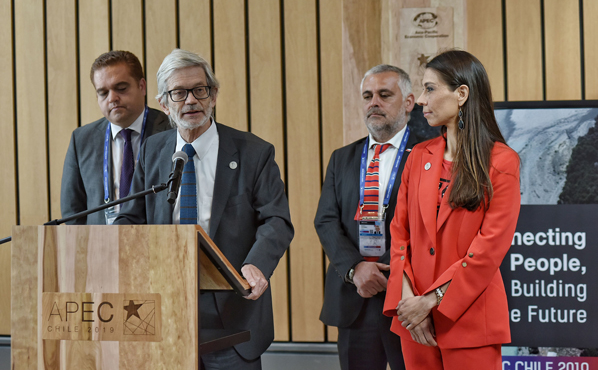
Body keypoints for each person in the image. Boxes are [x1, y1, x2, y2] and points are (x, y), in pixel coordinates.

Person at [113, 48, 294, 369]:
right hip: (164, 307)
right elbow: (132, 215)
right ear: (163, 102)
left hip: (232, 309)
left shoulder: (254, 152)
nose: (191, 100)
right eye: (179, 93)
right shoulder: (153, 150)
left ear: (214, 95)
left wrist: (257, 265)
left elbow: (276, 219)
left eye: (200, 90)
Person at [383, 50, 521, 369]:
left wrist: (428, 302)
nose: (421, 99)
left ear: (461, 94)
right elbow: (399, 236)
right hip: (414, 323)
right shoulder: (418, 156)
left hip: (470, 321)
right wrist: (409, 306)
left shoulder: (502, 163)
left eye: (430, 89)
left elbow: (487, 251)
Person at [315, 64, 421, 370]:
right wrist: (356, 269)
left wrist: (385, 270)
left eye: (384, 94)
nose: (374, 102)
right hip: (353, 297)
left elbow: (428, 224)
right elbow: (325, 220)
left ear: (409, 102)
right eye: (367, 95)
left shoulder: (428, 155)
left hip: (408, 297)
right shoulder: (342, 157)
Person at [61, 50, 171, 224]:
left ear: (142, 86)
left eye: (121, 88)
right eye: (103, 93)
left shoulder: (171, 130)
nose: (112, 98)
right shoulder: (81, 140)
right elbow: (73, 212)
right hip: (100, 246)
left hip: (157, 243)